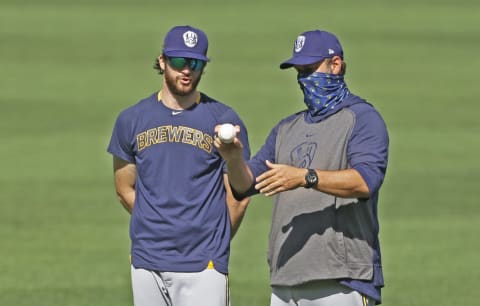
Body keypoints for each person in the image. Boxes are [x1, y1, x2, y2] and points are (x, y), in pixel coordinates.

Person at [214, 30, 389, 305]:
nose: (305, 79)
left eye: (310, 69)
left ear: (336, 65)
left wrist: (304, 177)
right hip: (286, 281)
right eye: (299, 72)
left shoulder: (363, 119)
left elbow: (365, 182)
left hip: (341, 280)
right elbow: (244, 185)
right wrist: (233, 158)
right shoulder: (286, 128)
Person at [107, 25, 251, 306]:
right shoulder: (132, 120)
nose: (187, 70)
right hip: (148, 261)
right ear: (162, 62)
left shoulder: (223, 119)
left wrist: (213, 238)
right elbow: (124, 188)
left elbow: (239, 195)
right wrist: (158, 224)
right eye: (178, 62)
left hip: (204, 264)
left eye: (195, 63)